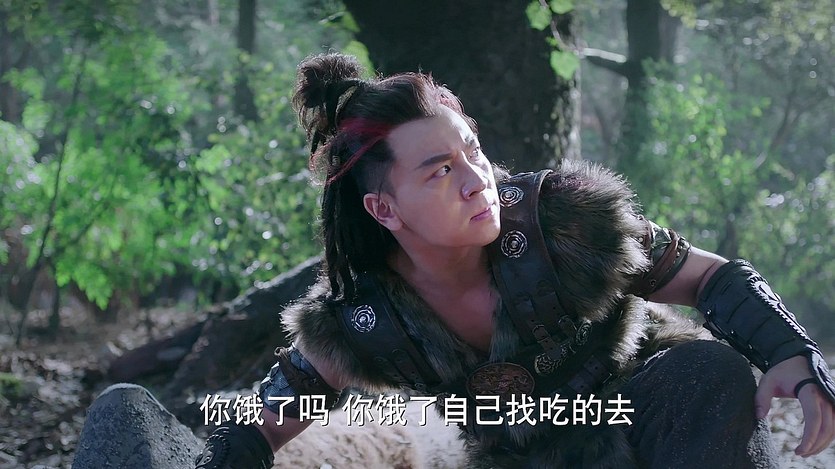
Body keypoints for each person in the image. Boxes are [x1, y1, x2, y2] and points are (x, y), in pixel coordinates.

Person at [76, 52, 834, 468]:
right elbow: (270, 418)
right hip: (525, 458)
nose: (476, 179)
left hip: (657, 413)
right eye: (440, 170)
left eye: (471, 149)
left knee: (705, 372)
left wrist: (791, 355)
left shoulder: (563, 220)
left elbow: (709, 275)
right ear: (386, 210)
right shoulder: (364, 318)